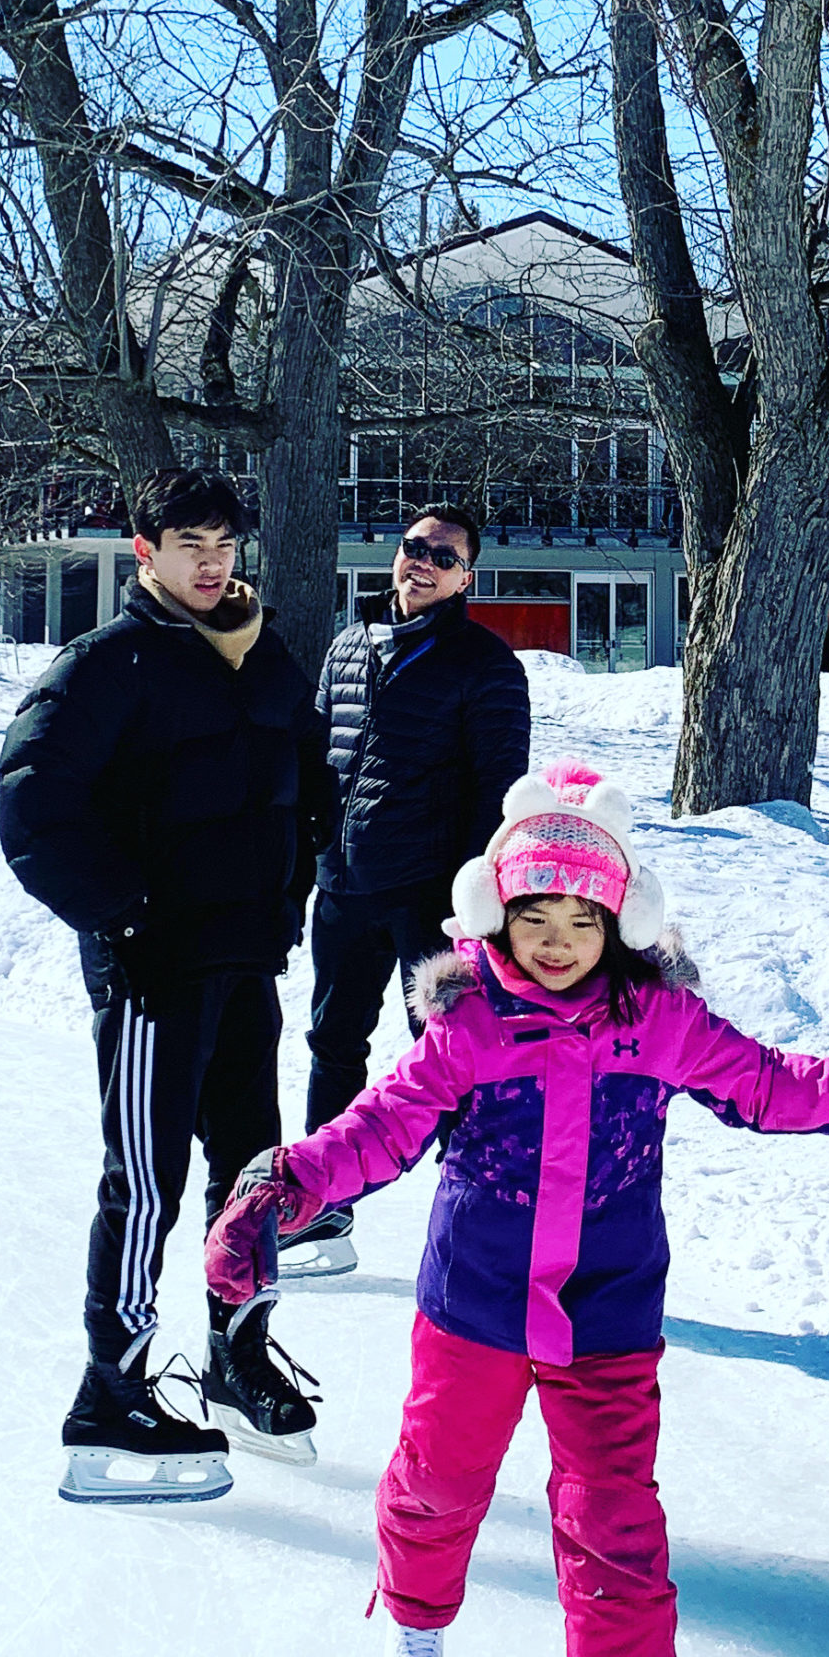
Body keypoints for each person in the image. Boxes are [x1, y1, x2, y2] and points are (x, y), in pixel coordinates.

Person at [202, 763, 829, 1657]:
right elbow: (381, 1129)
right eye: (531, 913)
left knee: (614, 1516)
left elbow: (773, 1083)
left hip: (608, 1310)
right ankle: (413, 1606)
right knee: (439, 1478)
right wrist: (288, 1187)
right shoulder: (470, 1026)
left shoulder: (658, 1022)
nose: (552, 939)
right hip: (476, 1302)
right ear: (496, 914)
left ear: (617, 922)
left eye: (578, 918)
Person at [0, 469, 332, 1504]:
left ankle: (237, 1353)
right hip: (153, 970)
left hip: (246, 961)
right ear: (144, 551)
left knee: (253, 1179)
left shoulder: (264, 655)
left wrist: (291, 888)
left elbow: (301, 785)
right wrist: (124, 918)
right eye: (189, 541)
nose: (211, 559)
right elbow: (32, 808)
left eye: (223, 540)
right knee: (146, 1183)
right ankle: (113, 1392)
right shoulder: (106, 665)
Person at [289, 504, 531, 1282]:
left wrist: (474, 903)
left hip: (430, 894)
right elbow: (318, 763)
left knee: (452, 1054)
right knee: (333, 1043)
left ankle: (482, 1224)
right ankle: (320, 1211)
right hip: (345, 884)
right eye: (412, 547)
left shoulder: (486, 665)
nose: (420, 562)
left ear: (467, 576)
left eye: (442, 555)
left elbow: (502, 794)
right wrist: (308, 854)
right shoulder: (348, 646)